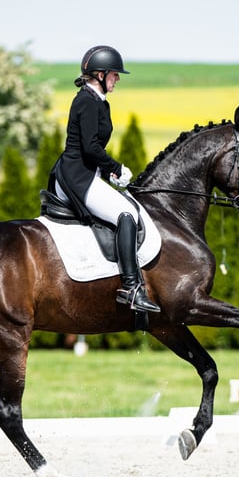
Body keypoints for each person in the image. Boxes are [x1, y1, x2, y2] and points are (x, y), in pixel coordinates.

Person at [48, 45, 160, 313]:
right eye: (114, 74)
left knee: (129, 206)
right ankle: (131, 288)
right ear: (99, 74)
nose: (117, 79)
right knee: (126, 214)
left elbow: (94, 148)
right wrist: (116, 167)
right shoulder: (86, 101)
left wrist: (108, 171)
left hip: (86, 172)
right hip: (77, 175)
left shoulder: (98, 101)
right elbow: (89, 148)